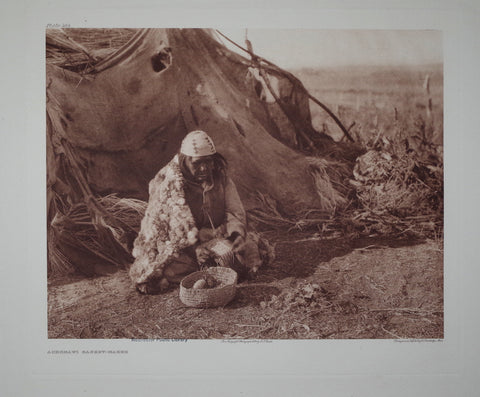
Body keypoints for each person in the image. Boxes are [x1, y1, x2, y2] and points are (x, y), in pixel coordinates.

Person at [129, 130, 264, 294]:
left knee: (247, 248)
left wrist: (235, 234)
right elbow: (169, 231)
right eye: (197, 163)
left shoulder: (221, 179)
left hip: (216, 236)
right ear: (185, 161)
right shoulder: (170, 185)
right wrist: (195, 249)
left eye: (208, 162)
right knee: (173, 267)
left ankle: (213, 268)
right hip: (183, 246)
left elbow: (234, 212)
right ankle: (209, 270)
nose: (204, 168)